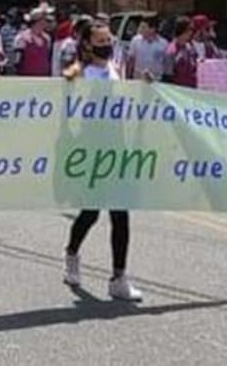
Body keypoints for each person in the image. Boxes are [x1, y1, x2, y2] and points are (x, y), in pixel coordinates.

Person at [62, 21, 143, 301]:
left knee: (121, 214)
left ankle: (119, 277)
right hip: (91, 148)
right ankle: (72, 254)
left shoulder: (114, 68)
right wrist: (74, 75)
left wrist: (144, 87)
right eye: (100, 40)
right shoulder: (80, 70)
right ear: (87, 44)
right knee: (92, 212)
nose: (107, 44)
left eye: (109, 39)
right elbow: (63, 85)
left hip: (117, 147)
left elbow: (125, 97)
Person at [126, 17, 169, 82]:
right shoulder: (136, 41)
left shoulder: (163, 43)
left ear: (152, 29)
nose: (140, 30)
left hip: (157, 81)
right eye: (140, 27)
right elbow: (131, 60)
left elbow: (166, 64)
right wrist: (128, 77)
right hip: (138, 81)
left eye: (143, 27)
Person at [12, 8, 52, 77]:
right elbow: (17, 62)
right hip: (27, 80)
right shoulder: (22, 38)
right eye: (45, 20)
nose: (47, 22)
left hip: (44, 80)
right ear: (38, 21)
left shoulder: (47, 38)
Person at [163, 16, 196, 86]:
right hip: (179, 90)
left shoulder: (190, 47)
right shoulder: (171, 50)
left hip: (192, 89)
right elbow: (168, 76)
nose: (191, 32)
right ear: (182, 30)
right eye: (190, 29)